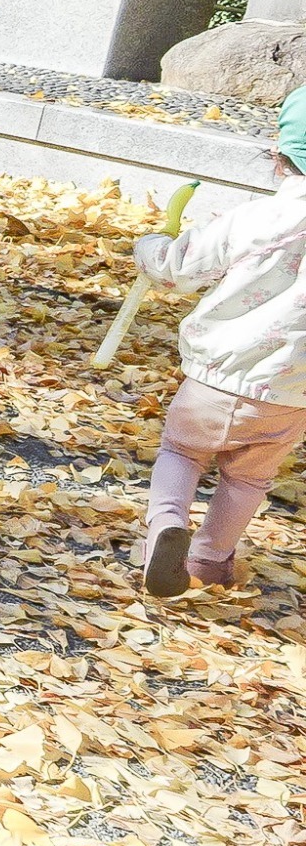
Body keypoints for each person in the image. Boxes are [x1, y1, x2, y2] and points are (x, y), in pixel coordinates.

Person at [136, 86, 306, 598]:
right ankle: (209, 561)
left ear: (279, 159)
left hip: (216, 374)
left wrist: (151, 245)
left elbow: (174, 271)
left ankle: (165, 528)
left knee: (182, 452)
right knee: (249, 479)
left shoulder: (256, 218)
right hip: (292, 393)